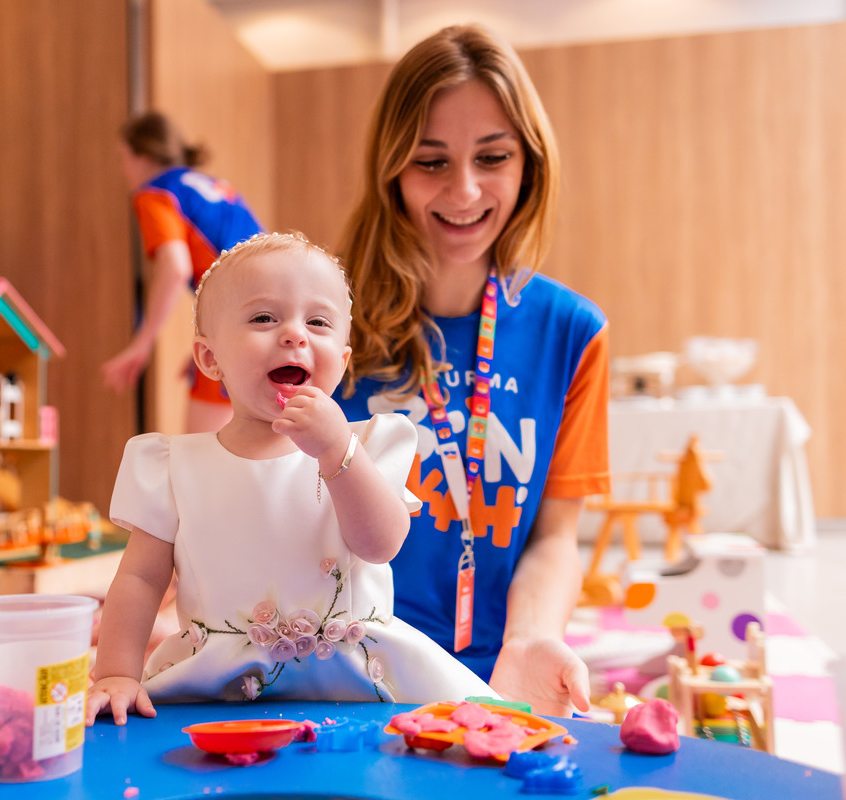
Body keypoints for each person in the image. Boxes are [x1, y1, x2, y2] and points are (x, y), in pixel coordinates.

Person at [86, 232, 493, 725]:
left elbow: (381, 543)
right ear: (209, 358)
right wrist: (116, 673)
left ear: (341, 363)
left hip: (365, 682)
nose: (295, 334)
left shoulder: (365, 446)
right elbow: (140, 578)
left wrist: (336, 451)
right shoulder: (175, 464)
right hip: (217, 686)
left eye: (317, 322)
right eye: (264, 318)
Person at [333, 24, 610, 718]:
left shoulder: (573, 334)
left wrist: (534, 637)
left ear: (529, 164)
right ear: (391, 168)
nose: (464, 191)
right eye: (431, 162)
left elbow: (552, 536)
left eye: (493, 157)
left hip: (504, 683)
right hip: (346, 680)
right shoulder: (323, 325)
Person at [101, 111, 265, 433]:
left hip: (241, 323)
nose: (122, 170)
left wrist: (142, 343)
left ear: (143, 156)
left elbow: (175, 268)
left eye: (123, 158)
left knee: (202, 460)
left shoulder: (155, 193)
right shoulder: (214, 186)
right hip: (271, 318)